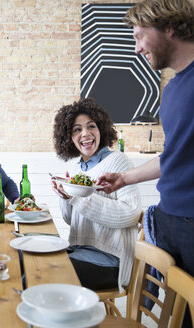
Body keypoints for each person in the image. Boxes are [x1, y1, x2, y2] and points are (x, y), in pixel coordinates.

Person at [98, 1, 194, 327]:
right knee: (177, 315)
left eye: (139, 36)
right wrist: (124, 179)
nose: (137, 49)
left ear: (168, 26)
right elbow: (175, 156)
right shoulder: (174, 86)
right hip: (169, 215)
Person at [51, 98, 141, 291]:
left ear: (101, 129)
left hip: (111, 260)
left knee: (45, 273)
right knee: (33, 261)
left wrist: (79, 197)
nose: (85, 134)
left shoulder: (118, 161)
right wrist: (66, 197)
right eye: (77, 129)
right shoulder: (75, 169)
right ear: (68, 137)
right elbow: (70, 220)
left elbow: (131, 214)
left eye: (91, 126)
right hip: (80, 250)